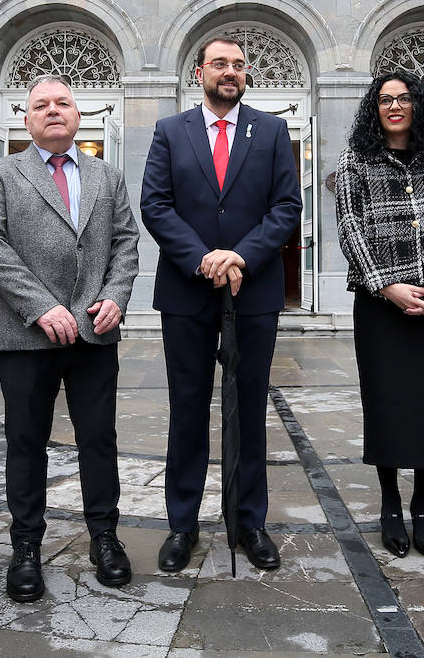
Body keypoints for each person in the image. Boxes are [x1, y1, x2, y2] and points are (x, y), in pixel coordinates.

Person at [0, 74, 140, 603]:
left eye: (62, 103)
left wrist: (115, 295)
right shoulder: (0, 173)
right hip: (25, 336)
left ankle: (104, 537)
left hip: (95, 332)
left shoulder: (106, 175)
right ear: (26, 119)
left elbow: (125, 241)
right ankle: (25, 546)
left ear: (77, 114)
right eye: (40, 104)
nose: (52, 111)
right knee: (25, 444)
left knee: (99, 440)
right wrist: (41, 307)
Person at [140, 34, 302, 573]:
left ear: (247, 75)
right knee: (188, 408)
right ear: (199, 73)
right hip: (187, 291)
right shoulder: (170, 131)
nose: (228, 72)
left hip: (253, 291)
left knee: (250, 407)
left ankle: (249, 522)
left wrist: (240, 256)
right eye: (218, 64)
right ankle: (182, 525)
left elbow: (286, 207)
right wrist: (205, 258)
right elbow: (155, 205)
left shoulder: (274, 131)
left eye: (237, 64)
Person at [334, 71, 424, 559]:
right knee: (390, 405)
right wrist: (388, 286)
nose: (394, 106)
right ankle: (391, 502)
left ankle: (422, 505)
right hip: (382, 308)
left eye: (404, 98)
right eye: (385, 100)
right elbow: (351, 229)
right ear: (374, 109)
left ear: (418, 104)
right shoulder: (356, 160)